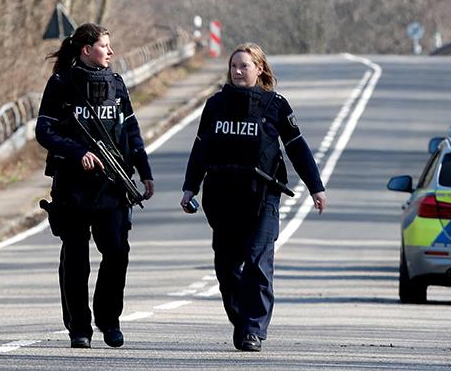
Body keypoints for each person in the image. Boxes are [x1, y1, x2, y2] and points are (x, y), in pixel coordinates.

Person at [180, 42, 326, 352]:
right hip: (222, 197)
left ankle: (254, 330)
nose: (237, 70)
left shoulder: (276, 105)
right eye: (234, 65)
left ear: (259, 69)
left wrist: (315, 187)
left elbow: (297, 148)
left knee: (258, 263)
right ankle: (242, 321)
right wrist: (189, 187)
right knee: (227, 268)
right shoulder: (215, 105)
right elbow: (200, 149)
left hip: (262, 197)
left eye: (244, 65)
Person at [36, 23, 155, 349]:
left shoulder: (116, 83)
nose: (111, 51)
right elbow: (44, 132)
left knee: (117, 252)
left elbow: (131, 131)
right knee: (76, 258)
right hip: (73, 187)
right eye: (105, 45)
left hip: (113, 186)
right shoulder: (61, 84)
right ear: (86, 50)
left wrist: (144, 171)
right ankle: (79, 327)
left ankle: (108, 319)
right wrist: (77, 154)